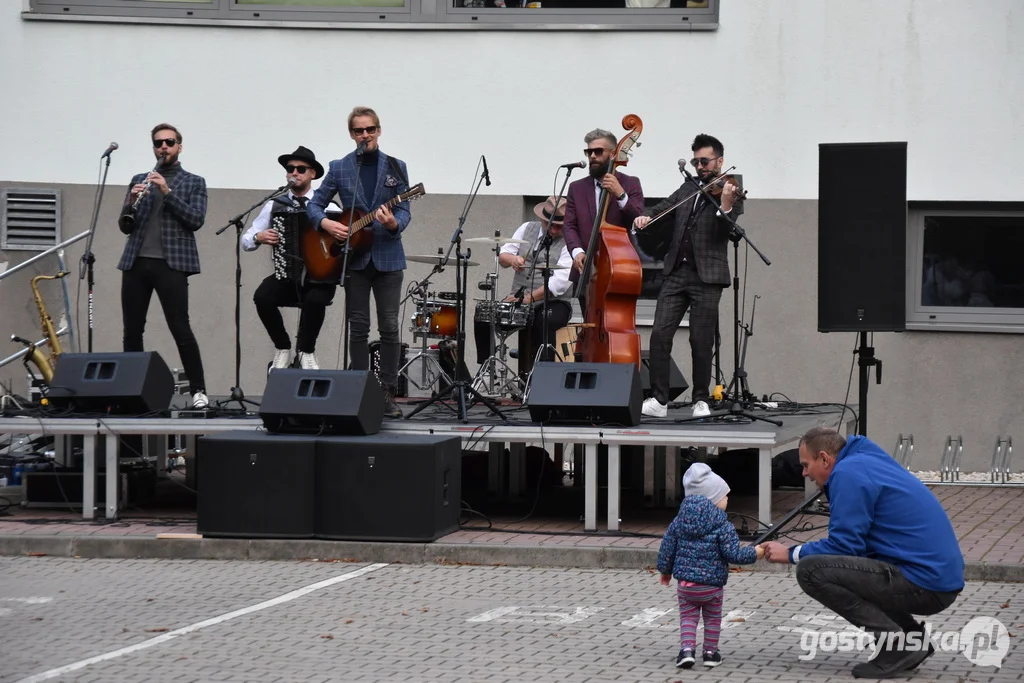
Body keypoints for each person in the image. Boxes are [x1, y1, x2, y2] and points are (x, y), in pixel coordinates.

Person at [762, 427, 965, 678]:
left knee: (812, 570)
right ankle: (912, 640)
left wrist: (791, 553)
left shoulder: (849, 473)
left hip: (927, 583)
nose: (804, 473)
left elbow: (843, 546)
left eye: (806, 465)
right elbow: (854, 548)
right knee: (853, 566)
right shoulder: (865, 461)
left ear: (825, 459)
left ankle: (895, 645)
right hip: (937, 578)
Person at [307, 106, 411, 419]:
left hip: (388, 257)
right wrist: (326, 224)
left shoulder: (396, 166)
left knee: (390, 327)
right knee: (358, 328)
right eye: (358, 131)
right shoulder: (339, 167)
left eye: (369, 129)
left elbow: (405, 211)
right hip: (354, 259)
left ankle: (387, 393)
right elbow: (315, 205)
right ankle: (359, 390)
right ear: (351, 134)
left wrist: (394, 224)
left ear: (379, 130)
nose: (364, 135)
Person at [634, 133, 743, 419]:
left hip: (707, 276)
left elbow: (724, 231)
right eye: (696, 161)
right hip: (676, 272)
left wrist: (728, 205)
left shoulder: (731, 188)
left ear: (720, 161)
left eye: (704, 161)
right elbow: (663, 208)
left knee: (701, 339)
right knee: (659, 334)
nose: (699, 166)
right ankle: (659, 399)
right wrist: (645, 217)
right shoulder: (688, 187)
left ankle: (700, 399)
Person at [117, 123, 209, 409]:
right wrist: (131, 201)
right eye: (158, 143)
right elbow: (124, 225)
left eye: (169, 142)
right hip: (136, 262)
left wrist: (167, 191)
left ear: (179, 146)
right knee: (132, 330)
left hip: (172, 263)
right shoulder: (138, 179)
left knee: (180, 327)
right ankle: (132, 390)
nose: (163, 147)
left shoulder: (194, 181)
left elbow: (195, 220)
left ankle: (198, 391)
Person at [243, 146, 341, 371]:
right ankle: (283, 348)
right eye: (290, 169)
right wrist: (259, 236)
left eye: (300, 169)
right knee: (263, 296)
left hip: (319, 278)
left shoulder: (329, 207)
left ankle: (306, 350)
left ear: (312, 174)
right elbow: (246, 240)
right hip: (287, 275)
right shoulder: (275, 205)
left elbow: (342, 246)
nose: (294, 173)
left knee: (316, 299)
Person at [657, 462, 763, 669]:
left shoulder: (679, 521)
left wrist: (665, 571)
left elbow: (667, 547)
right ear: (713, 499)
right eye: (724, 495)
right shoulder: (723, 525)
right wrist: (756, 553)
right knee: (712, 619)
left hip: (686, 586)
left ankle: (686, 651)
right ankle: (710, 653)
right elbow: (734, 554)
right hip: (712, 586)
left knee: (688, 617)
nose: (727, 499)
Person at [472, 196, 573, 383]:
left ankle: (540, 378)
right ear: (542, 219)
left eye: (561, 225)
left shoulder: (571, 240)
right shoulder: (527, 228)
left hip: (555, 302)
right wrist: (514, 260)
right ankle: (488, 371)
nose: (556, 230)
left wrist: (529, 299)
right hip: (518, 298)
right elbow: (503, 256)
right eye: (552, 224)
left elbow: (559, 283)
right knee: (484, 314)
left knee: (542, 320)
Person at [562, 128, 645, 281]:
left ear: (613, 154)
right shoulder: (576, 187)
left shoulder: (631, 183)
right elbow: (569, 225)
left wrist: (621, 194)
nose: (592, 156)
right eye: (589, 152)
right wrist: (577, 251)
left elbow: (638, 221)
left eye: (598, 151)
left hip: (620, 267)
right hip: (587, 270)